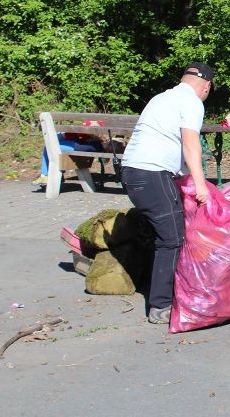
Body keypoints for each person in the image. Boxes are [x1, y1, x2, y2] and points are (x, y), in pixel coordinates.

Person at [121, 63, 214, 325]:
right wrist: (200, 183)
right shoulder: (193, 102)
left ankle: (155, 284)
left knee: (163, 232)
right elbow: (190, 142)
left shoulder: (162, 98)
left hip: (132, 172)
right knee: (172, 238)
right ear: (206, 86)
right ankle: (161, 305)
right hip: (151, 173)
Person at [32, 122, 105, 186]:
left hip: (75, 148)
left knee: (48, 147)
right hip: (74, 144)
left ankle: (45, 175)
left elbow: (79, 146)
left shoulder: (95, 144)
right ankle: (44, 175)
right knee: (50, 145)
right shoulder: (90, 139)